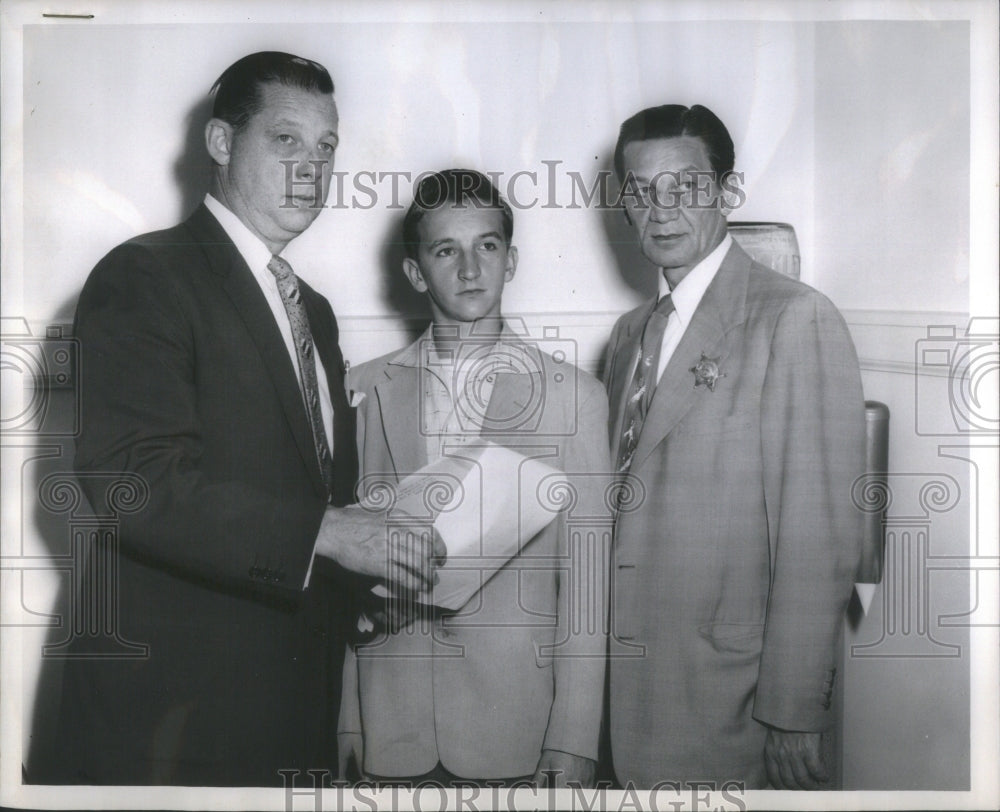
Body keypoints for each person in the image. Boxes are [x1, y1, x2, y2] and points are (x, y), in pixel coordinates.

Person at [30, 51, 441, 787]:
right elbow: (132, 482)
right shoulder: (147, 274)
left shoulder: (310, 308)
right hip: (170, 722)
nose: (311, 168)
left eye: (326, 147)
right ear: (221, 144)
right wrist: (329, 534)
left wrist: (360, 584)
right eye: (286, 140)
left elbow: (306, 498)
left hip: (290, 711)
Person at [603, 104, 865, 790]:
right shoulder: (631, 334)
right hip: (629, 691)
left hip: (733, 703)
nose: (660, 209)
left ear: (725, 191)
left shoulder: (794, 318)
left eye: (684, 186)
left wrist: (795, 712)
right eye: (640, 190)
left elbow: (820, 537)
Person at [337, 170, 609, 788]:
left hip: (514, 726)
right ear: (414, 273)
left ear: (510, 261)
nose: (469, 269)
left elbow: (588, 587)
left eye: (486, 246)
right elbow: (349, 566)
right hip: (390, 727)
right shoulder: (366, 389)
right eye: (445, 250)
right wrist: (348, 721)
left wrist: (573, 738)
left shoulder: (575, 398)